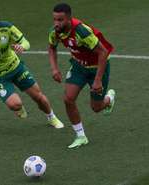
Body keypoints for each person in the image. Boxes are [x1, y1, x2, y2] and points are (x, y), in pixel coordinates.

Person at [0, 4, 64, 129]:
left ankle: (51, 117)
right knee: (15, 104)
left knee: (38, 97)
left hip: (16, 68)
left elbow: (26, 42)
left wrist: (22, 47)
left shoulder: (7, 28)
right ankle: (19, 108)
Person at [48, 3, 116, 148]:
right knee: (68, 99)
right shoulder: (55, 32)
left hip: (97, 67)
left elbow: (103, 52)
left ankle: (108, 99)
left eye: (60, 20)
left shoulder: (81, 31)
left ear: (68, 19)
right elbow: (52, 48)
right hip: (79, 66)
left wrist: (97, 80)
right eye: (54, 19)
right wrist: (54, 69)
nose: (56, 23)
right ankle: (81, 136)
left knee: (96, 108)